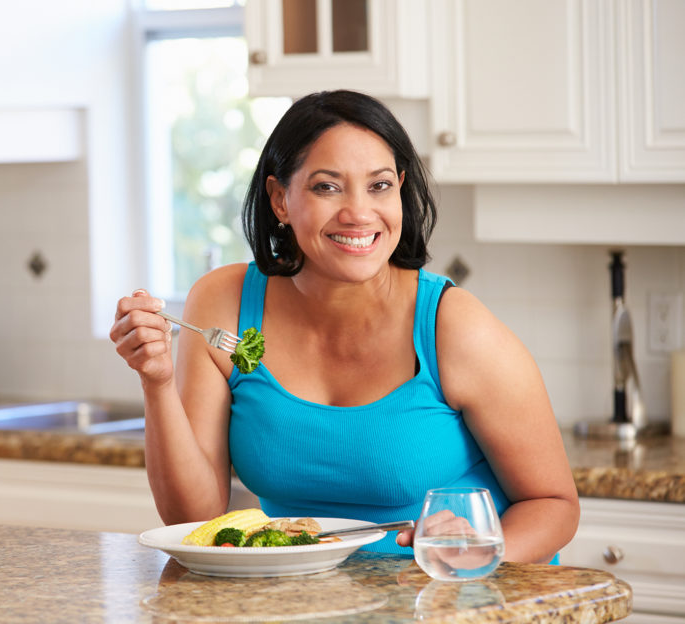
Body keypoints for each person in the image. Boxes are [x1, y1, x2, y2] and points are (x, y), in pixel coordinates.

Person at [110, 90, 579, 563]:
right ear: (279, 200)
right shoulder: (223, 303)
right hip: (303, 602)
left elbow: (554, 505)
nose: (358, 213)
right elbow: (193, 516)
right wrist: (157, 381)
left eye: (379, 186)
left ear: (400, 188)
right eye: (327, 187)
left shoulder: (452, 326)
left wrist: (473, 556)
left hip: (452, 598)